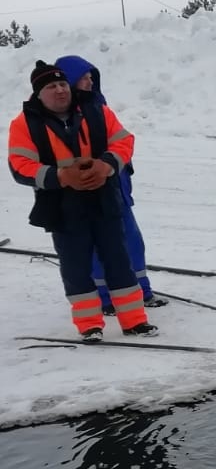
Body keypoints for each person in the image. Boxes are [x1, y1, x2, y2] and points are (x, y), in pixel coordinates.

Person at [8, 61, 156, 341]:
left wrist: (106, 166)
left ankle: (135, 321)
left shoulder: (96, 109)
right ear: (38, 93)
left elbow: (123, 141)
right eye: (51, 87)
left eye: (63, 84)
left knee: (119, 260)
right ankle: (89, 325)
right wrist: (61, 176)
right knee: (76, 267)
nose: (60, 90)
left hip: (104, 200)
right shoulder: (24, 123)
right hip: (63, 208)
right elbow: (20, 165)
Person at [54, 55, 167, 312]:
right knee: (96, 249)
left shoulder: (99, 107)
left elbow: (123, 140)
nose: (90, 82)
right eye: (84, 78)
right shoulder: (59, 118)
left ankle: (142, 291)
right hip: (86, 194)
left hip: (117, 188)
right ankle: (104, 298)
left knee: (132, 242)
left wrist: (113, 164)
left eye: (91, 77)